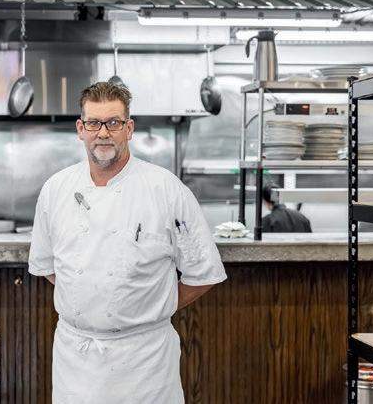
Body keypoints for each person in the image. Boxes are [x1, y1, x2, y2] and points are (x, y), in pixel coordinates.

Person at [28, 82, 227, 404]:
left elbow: (202, 274)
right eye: (94, 123)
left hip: (144, 360)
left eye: (114, 123)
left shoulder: (166, 190)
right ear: (80, 129)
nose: (103, 133)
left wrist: (150, 308)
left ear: (129, 128)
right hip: (76, 357)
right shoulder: (56, 190)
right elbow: (49, 266)